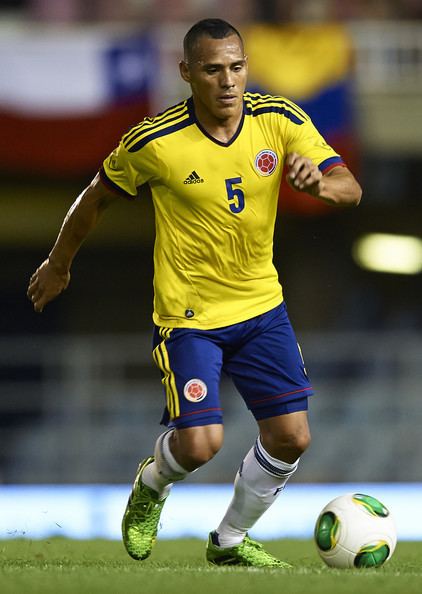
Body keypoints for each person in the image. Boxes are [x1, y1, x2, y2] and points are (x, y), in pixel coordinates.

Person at [27, 18, 362, 568]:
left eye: (237, 67)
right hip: (189, 316)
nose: (228, 81)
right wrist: (58, 263)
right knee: (200, 446)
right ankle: (151, 486)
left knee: (292, 437)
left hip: (262, 308)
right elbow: (94, 200)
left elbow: (350, 188)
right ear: (186, 72)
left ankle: (229, 540)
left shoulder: (279, 118)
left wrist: (319, 185)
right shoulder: (154, 141)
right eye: (212, 70)